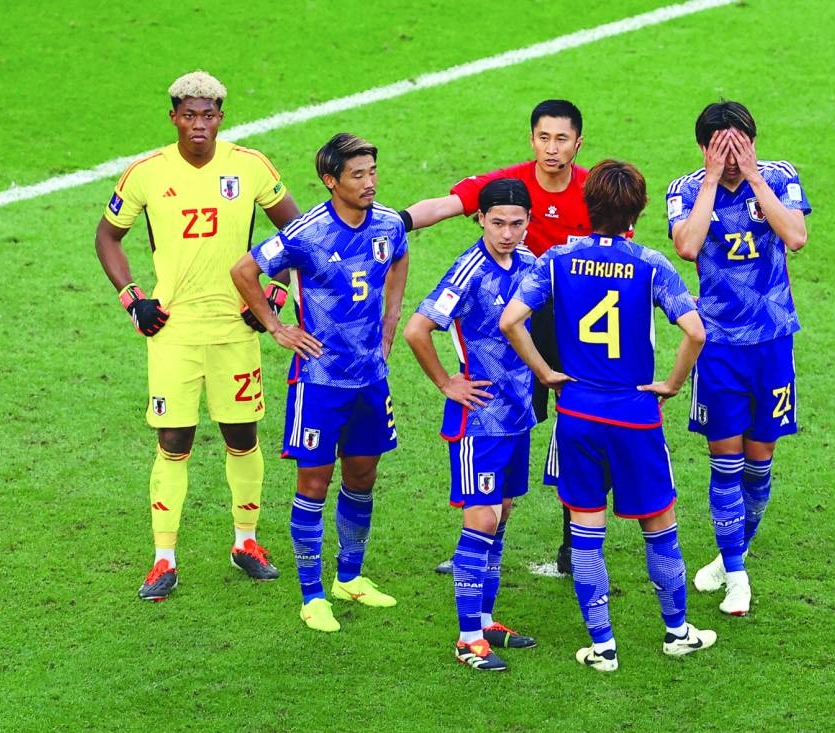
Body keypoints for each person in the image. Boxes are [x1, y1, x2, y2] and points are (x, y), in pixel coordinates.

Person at [500, 160, 716, 672]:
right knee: (660, 526)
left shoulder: (556, 259)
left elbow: (511, 320)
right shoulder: (650, 263)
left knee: (586, 530)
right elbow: (697, 333)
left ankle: (602, 647)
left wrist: (546, 373)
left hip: (577, 415)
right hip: (635, 417)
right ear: (636, 213)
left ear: (585, 207)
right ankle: (677, 632)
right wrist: (672, 384)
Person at [95, 70, 301, 601]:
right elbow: (107, 236)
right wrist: (132, 297)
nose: (198, 125)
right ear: (174, 118)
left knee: (242, 436)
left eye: (208, 115)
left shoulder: (250, 167)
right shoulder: (145, 173)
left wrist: (273, 300)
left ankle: (246, 543)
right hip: (174, 332)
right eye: (189, 115)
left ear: (220, 118)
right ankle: (164, 558)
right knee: (173, 440)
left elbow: (298, 237)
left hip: (235, 329)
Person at [401, 99, 591, 575]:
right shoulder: (507, 187)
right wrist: (396, 221)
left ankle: (574, 543)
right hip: (511, 320)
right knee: (499, 443)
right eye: (543, 137)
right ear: (532, 139)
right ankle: (476, 544)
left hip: (572, 326)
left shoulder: (593, 191)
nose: (552, 148)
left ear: (577, 142)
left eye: (561, 138)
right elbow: (444, 206)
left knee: (574, 429)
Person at [231, 132, 409, 633]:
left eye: (373, 171)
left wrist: (391, 320)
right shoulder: (305, 232)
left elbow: (399, 257)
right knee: (314, 483)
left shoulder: (390, 224)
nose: (369, 182)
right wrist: (276, 326)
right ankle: (311, 595)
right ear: (331, 181)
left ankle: (349, 577)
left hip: (371, 380)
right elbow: (244, 270)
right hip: (320, 382)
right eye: (358, 174)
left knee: (362, 478)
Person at [666, 100, 811, 616]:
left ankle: (732, 556)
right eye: (720, 148)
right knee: (725, 464)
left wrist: (753, 177)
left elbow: (795, 235)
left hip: (772, 343)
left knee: (759, 465)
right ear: (704, 147)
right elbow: (686, 246)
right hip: (720, 347)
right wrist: (710, 182)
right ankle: (737, 577)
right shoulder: (684, 189)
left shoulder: (779, 176)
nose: (731, 157)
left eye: (740, 145)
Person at [404, 178, 539, 672]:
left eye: (517, 223)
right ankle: (466, 639)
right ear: (479, 219)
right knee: (481, 519)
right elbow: (417, 329)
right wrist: (447, 383)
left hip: (519, 415)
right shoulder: (468, 269)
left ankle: (484, 620)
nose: (507, 232)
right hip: (478, 420)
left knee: (500, 515)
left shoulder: (530, 264)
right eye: (497, 222)